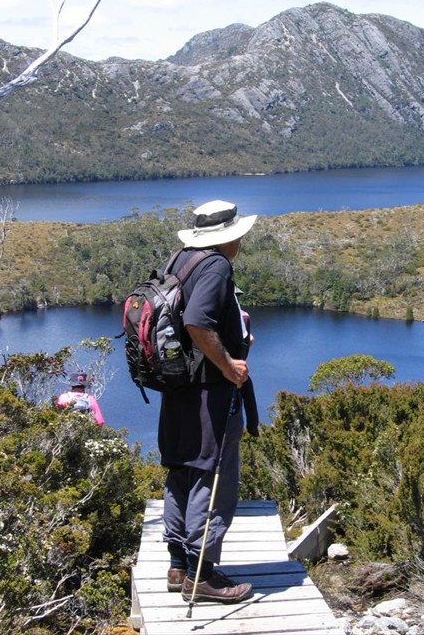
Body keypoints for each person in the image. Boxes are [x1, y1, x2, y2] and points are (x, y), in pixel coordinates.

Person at [160, 200, 260, 604]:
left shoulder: (180, 259)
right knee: (211, 474)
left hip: (178, 386)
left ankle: (178, 565)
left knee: (181, 469)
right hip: (208, 391)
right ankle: (203, 573)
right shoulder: (217, 265)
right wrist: (229, 366)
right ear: (228, 236)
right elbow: (197, 322)